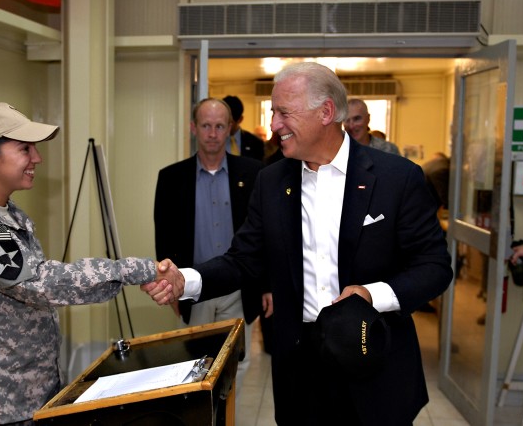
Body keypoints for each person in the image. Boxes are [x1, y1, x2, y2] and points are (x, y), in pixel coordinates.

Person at [142, 62, 452, 425]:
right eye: (274, 112)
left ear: (326, 112)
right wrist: (187, 280)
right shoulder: (272, 182)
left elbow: (434, 267)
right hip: (300, 370)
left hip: (374, 361)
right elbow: (243, 259)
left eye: (283, 112)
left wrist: (372, 295)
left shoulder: (396, 178)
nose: (273, 124)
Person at [0, 102, 182, 426]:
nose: (37, 158)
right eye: (24, 149)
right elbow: (41, 284)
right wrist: (136, 269)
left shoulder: (8, 214)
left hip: (32, 399)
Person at [154, 98, 267, 405]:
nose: (213, 133)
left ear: (229, 128)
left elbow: (266, 236)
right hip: (193, 288)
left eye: (220, 126)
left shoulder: (255, 173)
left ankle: (226, 417)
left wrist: (267, 286)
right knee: (196, 366)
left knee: (237, 364)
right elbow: (163, 238)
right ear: (194, 128)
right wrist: (170, 287)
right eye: (206, 126)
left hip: (239, 289)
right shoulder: (171, 178)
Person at [222, 95, 264, 161]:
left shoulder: (255, 143)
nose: (225, 125)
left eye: (230, 122)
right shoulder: (215, 140)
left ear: (240, 119)